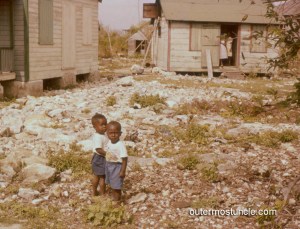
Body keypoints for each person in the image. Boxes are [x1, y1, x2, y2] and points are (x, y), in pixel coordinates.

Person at [105, 121, 128, 201]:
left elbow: (124, 159)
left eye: (116, 133)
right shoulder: (109, 142)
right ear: (107, 133)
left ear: (120, 133)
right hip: (109, 165)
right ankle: (114, 198)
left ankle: (117, 201)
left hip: (117, 167)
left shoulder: (120, 145)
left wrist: (122, 171)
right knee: (112, 184)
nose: (113, 135)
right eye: (111, 133)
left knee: (117, 186)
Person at [91, 113, 109, 196]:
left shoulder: (103, 135)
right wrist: (108, 154)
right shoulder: (98, 136)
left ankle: (95, 191)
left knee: (97, 176)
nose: (104, 126)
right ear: (95, 127)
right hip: (100, 158)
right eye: (102, 125)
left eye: (105, 124)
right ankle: (101, 193)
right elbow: (99, 149)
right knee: (102, 177)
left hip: (100, 157)